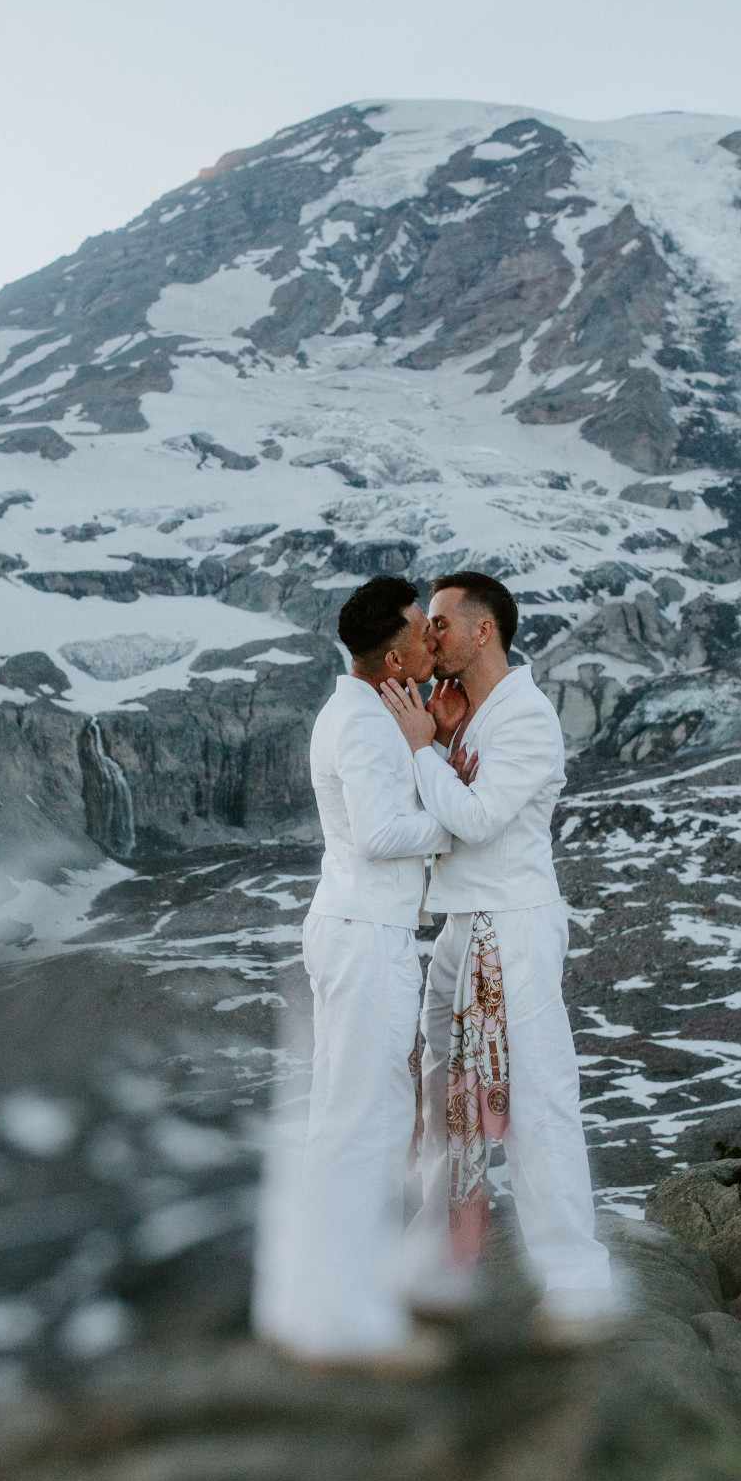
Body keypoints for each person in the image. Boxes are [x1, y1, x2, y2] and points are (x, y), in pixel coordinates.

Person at [381, 571, 614, 1339]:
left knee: (538, 1103)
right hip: (461, 926)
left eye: (442, 623)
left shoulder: (527, 718)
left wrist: (423, 749)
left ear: (485, 631)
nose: (430, 636)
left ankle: (575, 1283)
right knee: (444, 1104)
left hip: (510, 927)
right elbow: (444, 818)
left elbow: (474, 822)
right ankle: (435, 1265)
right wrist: (443, 742)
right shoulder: (472, 718)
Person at [252, 574, 460, 1372]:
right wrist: (458, 821)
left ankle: (329, 1298)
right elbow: (380, 833)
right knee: (366, 1114)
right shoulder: (369, 727)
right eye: (422, 630)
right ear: (395, 652)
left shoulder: (359, 711)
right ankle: (344, 1318)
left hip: (353, 926)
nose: (432, 640)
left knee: (351, 1111)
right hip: (367, 932)